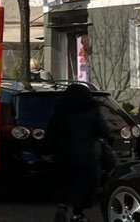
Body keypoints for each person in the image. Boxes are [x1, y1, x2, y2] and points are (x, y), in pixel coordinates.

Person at [48, 82, 111, 222]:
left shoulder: (61, 109)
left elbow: (52, 131)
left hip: (64, 153)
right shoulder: (92, 110)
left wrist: (49, 148)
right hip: (87, 154)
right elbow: (103, 130)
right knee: (84, 184)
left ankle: (62, 207)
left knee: (64, 181)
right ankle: (78, 213)